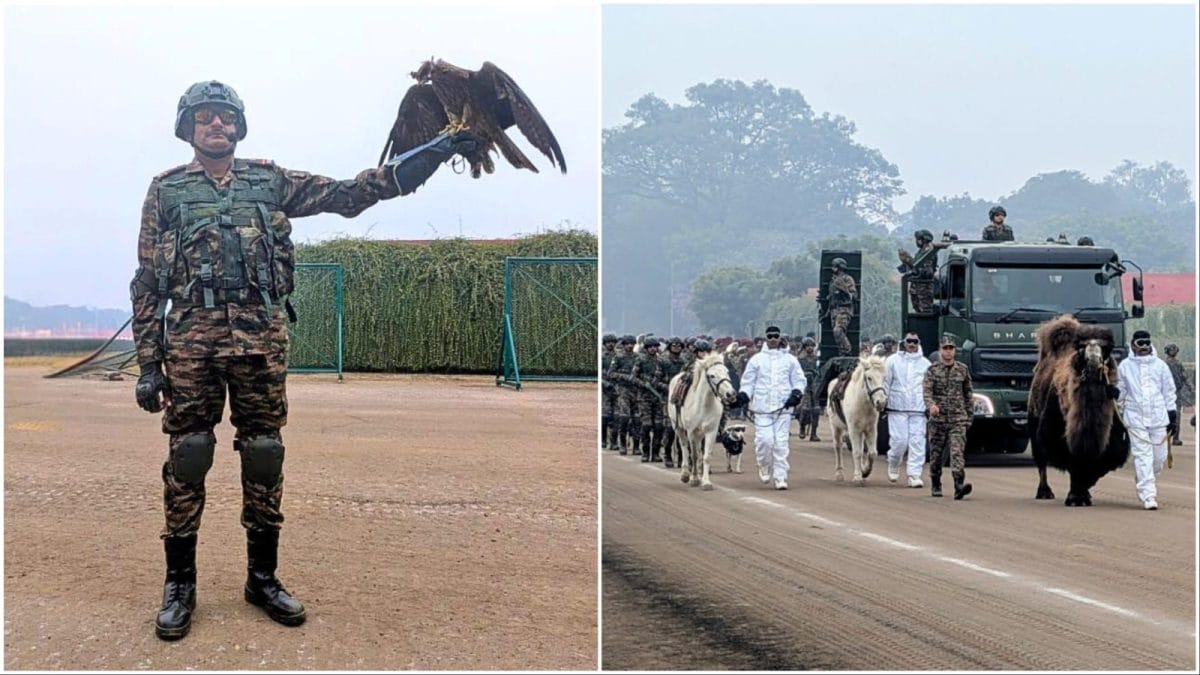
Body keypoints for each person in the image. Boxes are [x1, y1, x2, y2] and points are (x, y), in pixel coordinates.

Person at [130, 81, 476, 640]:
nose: (216, 126)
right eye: (204, 118)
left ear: (239, 127)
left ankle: (262, 578)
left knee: (264, 454)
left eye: (225, 118)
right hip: (192, 342)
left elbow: (350, 194)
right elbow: (147, 283)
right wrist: (150, 364)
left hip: (261, 342)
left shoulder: (270, 181)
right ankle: (180, 584)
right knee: (189, 453)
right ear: (188, 128)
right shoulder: (166, 192)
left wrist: (429, 155)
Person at [737, 327, 806, 490]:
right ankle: (764, 464)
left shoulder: (790, 360)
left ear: (780, 338)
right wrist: (743, 396)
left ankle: (781, 477)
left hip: (784, 408)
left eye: (776, 336)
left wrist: (796, 393)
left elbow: (799, 380)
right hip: (762, 408)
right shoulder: (756, 360)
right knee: (765, 441)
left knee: (781, 443)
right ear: (766, 339)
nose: (773, 339)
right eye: (770, 336)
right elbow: (748, 382)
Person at [1117, 331, 1177, 510]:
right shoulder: (1125, 367)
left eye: (1146, 343)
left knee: (1159, 458)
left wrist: (1172, 412)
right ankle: (1148, 496)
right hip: (1135, 418)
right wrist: (1115, 394)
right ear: (1133, 344)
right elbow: (1121, 391)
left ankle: (1144, 477)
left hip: (1158, 417)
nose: (1144, 347)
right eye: (1140, 343)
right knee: (1143, 456)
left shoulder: (1160, 366)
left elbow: (1169, 390)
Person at [923, 334, 974, 499]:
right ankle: (936, 482)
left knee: (957, 452)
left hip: (958, 419)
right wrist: (931, 406)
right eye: (945, 348)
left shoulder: (962, 370)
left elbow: (968, 394)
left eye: (951, 348)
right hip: (938, 420)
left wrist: (969, 417)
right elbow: (927, 392)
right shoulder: (932, 371)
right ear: (940, 350)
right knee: (936, 455)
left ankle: (959, 484)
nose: (948, 352)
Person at [885, 333, 932, 487]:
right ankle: (893, 462)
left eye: (915, 341)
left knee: (917, 442)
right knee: (900, 441)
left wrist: (930, 405)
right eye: (909, 341)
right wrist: (883, 401)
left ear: (918, 343)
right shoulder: (892, 361)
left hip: (918, 409)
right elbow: (886, 382)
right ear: (904, 343)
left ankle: (914, 475)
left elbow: (930, 387)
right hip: (897, 407)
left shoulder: (926, 364)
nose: (912, 344)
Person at [631, 337, 666, 462]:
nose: (652, 348)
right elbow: (633, 377)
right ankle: (645, 452)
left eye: (654, 346)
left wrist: (660, 385)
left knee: (658, 426)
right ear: (646, 348)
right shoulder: (640, 360)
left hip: (657, 397)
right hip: (644, 397)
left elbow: (664, 377)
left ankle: (656, 453)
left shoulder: (661, 361)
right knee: (646, 425)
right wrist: (643, 384)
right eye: (650, 347)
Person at [607, 335, 640, 456]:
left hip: (636, 391)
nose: (630, 346)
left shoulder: (638, 358)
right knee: (624, 418)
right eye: (627, 343)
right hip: (623, 390)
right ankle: (622, 444)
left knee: (637, 420)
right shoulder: (619, 357)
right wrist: (624, 376)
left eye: (632, 343)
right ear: (624, 345)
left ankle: (636, 446)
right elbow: (611, 374)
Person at [658, 337, 688, 468]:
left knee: (683, 428)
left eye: (679, 345)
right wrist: (670, 387)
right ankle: (668, 454)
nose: (676, 347)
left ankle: (682, 457)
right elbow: (656, 380)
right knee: (670, 429)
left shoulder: (685, 362)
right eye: (674, 345)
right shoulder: (662, 361)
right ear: (669, 346)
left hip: (682, 398)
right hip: (667, 398)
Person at [898, 229, 937, 312]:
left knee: (925, 311)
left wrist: (908, 259)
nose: (916, 241)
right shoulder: (921, 251)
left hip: (924, 287)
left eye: (918, 239)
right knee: (918, 309)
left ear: (923, 240)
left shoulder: (929, 251)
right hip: (917, 286)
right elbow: (916, 266)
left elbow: (925, 271)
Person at [1162, 343, 1194, 446]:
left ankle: (1168, 437)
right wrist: (1191, 388)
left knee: (1168, 415)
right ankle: (1174, 438)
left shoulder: (1163, 364)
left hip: (1169, 393)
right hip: (1171, 393)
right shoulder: (1169, 364)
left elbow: (1184, 377)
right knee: (1176, 415)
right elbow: (1185, 377)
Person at [824, 258, 857, 355]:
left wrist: (843, 288)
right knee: (837, 335)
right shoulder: (832, 281)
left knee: (838, 331)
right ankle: (842, 352)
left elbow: (853, 296)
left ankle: (847, 351)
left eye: (835, 266)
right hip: (834, 310)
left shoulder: (847, 279)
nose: (833, 268)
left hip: (844, 309)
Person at [795, 337, 822, 442]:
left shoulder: (817, 359)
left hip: (815, 385)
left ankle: (814, 433)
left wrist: (815, 373)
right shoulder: (800, 359)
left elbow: (819, 371)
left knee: (816, 410)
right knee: (805, 409)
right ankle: (802, 427)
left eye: (812, 346)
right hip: (804, 385)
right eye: (808, 346)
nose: (810, 348)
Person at [600, 334, 619, 450]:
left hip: (617, 388)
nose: (611, 344)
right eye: (608, 342)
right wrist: (604, 383)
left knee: (617, 417)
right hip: (605, 389)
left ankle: (614, 441)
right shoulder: (602, 357)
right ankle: (603, 440)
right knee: (605, 416)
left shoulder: (618, 356)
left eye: (613, 342)